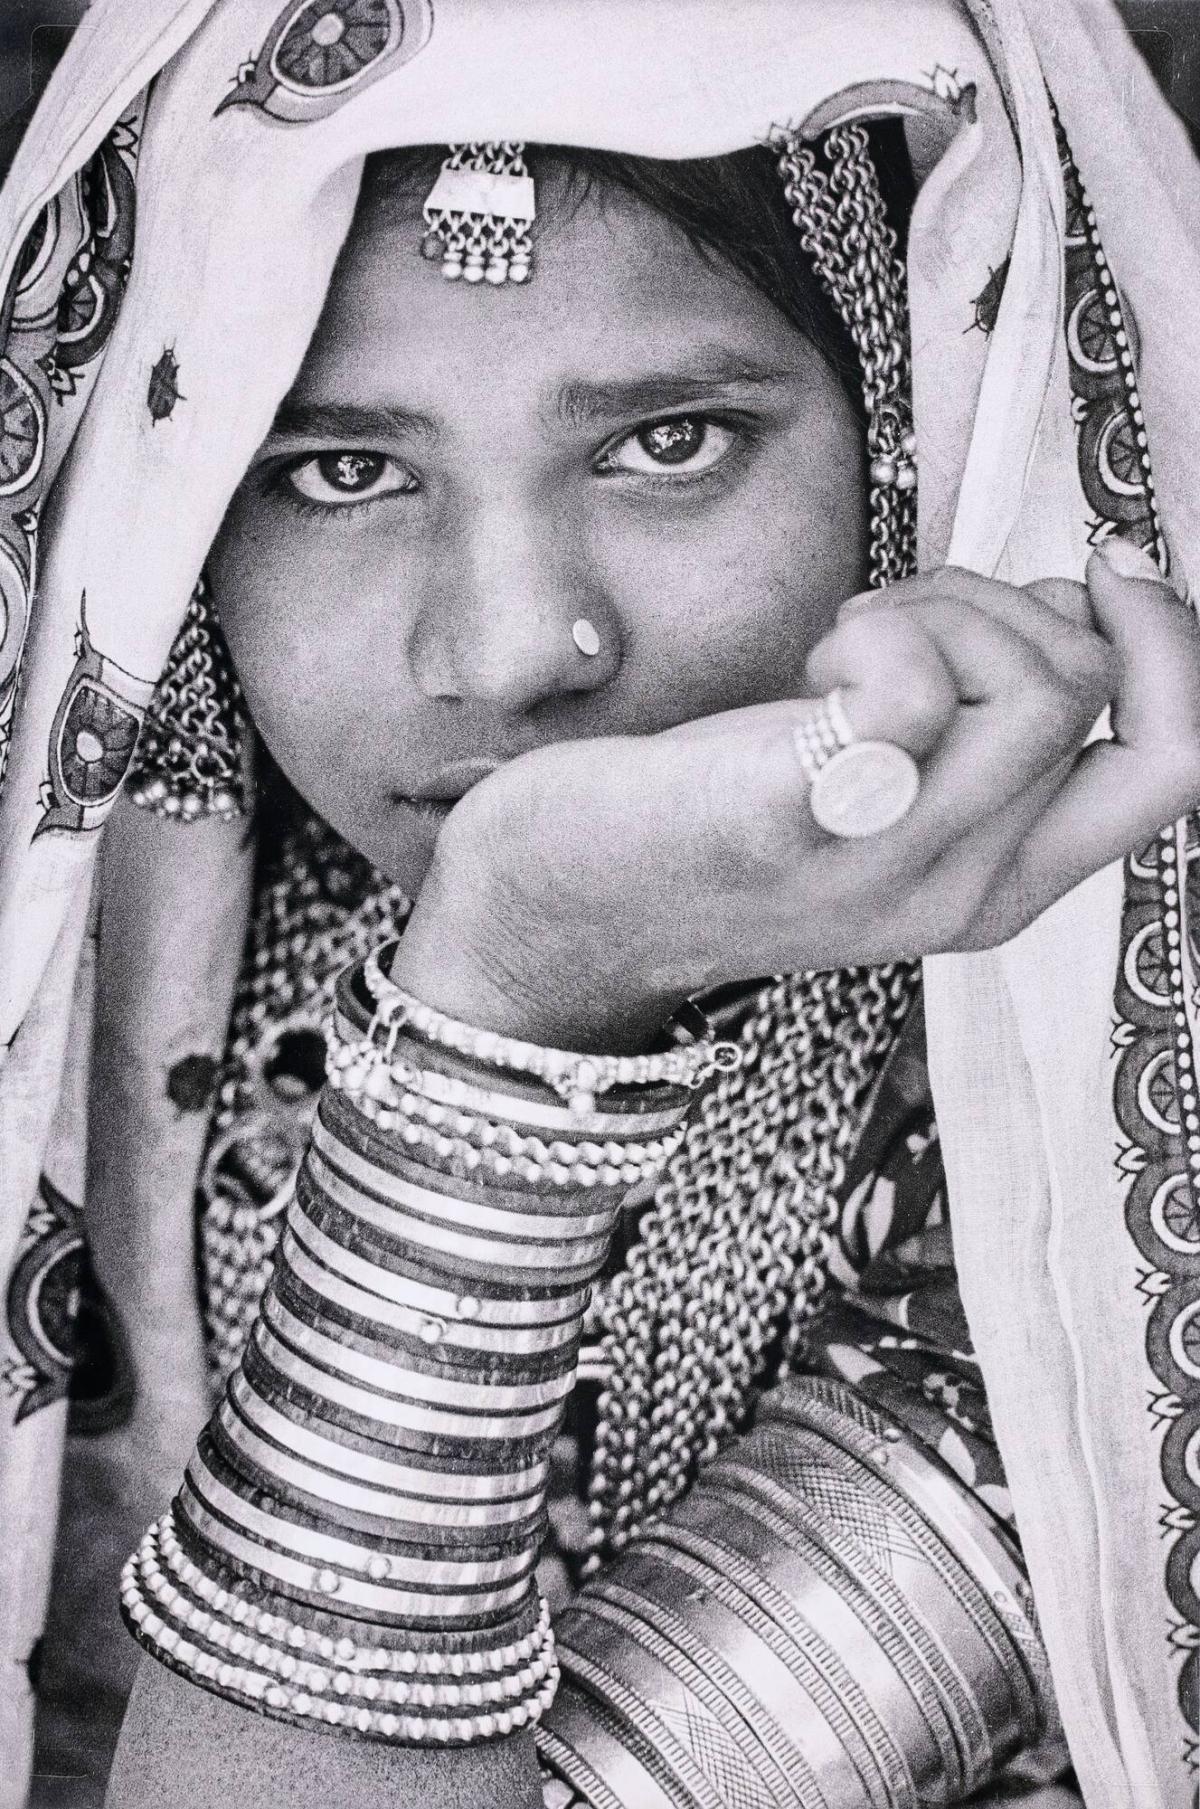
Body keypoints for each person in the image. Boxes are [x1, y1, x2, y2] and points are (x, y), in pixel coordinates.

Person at [0, 3, 1196, 1807]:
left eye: (669, 441)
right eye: (341, 472)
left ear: (917, 428)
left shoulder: (1106, 1156)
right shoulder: (77, 985)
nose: (510, 650)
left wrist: (517, 993)